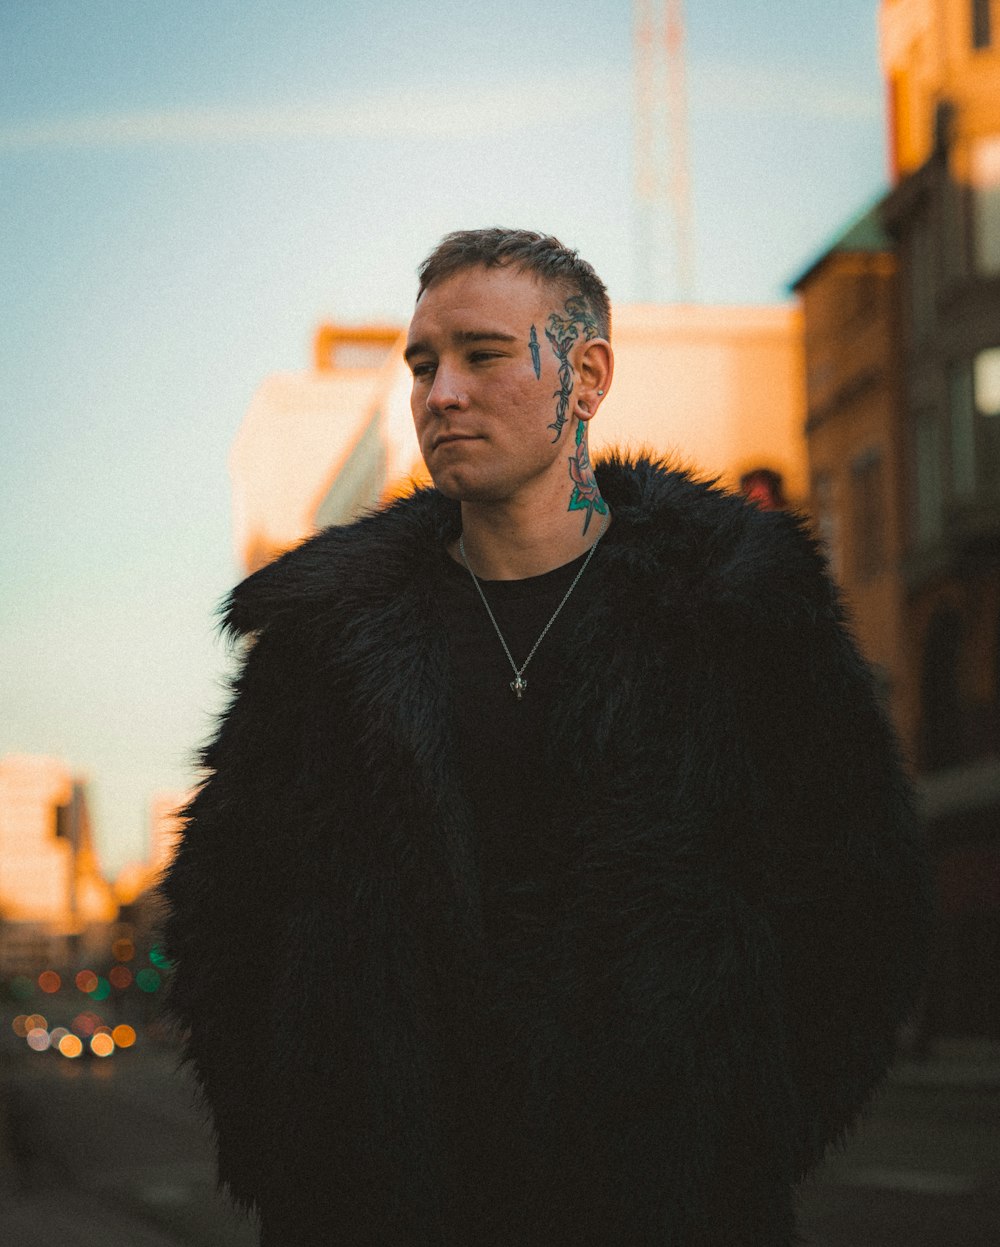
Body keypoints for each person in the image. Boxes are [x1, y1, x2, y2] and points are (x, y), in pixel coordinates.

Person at [160, 228, 930, 1246]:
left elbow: (857, 897)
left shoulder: (734, 616)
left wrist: (727, 1138)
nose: (441, 393)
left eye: (481, 354)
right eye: (423, 363)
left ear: (587, 373)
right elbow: (223, 914)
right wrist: (299, 1151)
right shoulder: (320, 647)